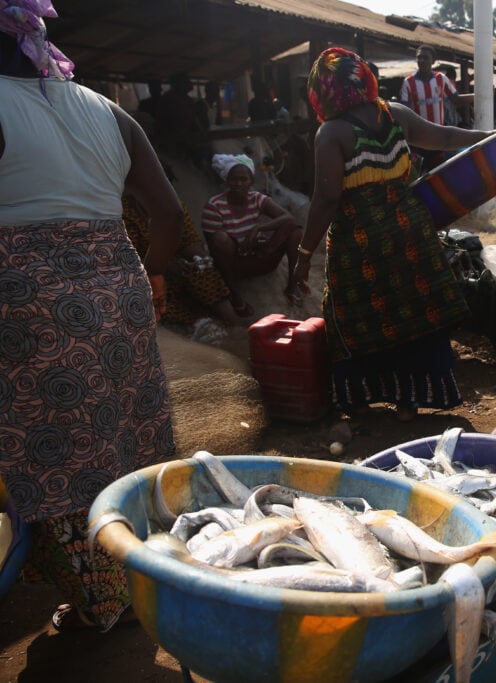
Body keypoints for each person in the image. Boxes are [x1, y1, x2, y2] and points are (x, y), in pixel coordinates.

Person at [0, 2, 180, 632]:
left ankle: (100, 603)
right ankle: (148, 574)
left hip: (29, 300)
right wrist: (153, 273)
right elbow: (168, 213)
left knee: (60, 452)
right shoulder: (106, 109)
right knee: (128, 432)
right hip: (120, 285)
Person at [292, 47, 494, 422]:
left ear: (324, 92)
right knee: (416, 313)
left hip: (360, 245)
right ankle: (409, 401)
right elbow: (446, 136)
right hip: (409, 234)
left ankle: (360, 399)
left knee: (354, 316)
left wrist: (304, 254)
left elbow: (325, 199)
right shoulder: (395, 114)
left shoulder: (331, 133)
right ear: (362, 79)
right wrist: (489, 137)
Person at [123, 178, 246, 329]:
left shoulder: (174, 207)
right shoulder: (124, 213)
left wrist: (198, 259)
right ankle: (196, 325)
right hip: (144, 271)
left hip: (176, 261)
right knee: (157, 294)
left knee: (203, 271)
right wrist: (163, 264)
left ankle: (234, 323)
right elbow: (129, 257)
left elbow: (189, 240)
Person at [201, 153, 303, 315]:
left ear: (251, 182)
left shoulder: (256, 199)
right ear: (227, 181)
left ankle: (292, 286)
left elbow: (288, 218)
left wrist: (259, 229)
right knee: (221, 239)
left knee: (294, 230)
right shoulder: (214, 206)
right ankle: (235, 296)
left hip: (259, 256)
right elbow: (215, 250)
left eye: (243, 179)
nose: (238, 184)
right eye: (234, 179)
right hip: (235, 264)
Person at [399, 45, 474, 170]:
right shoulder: (408, 82)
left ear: (433, 61)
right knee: (420, 173)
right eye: (419, 57)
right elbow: (403, 109)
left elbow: (455, 99)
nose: (421, 61)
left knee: (439, 172)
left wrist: (478, 96)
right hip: (419, 138)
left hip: (438, 137)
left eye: (425, 58)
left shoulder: (441, 79)